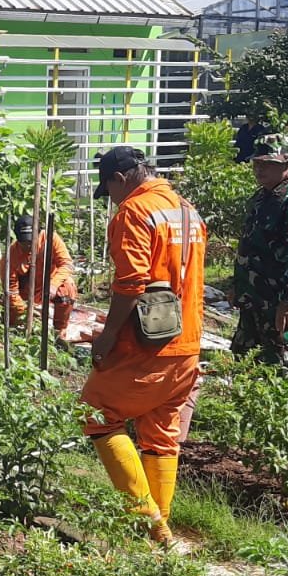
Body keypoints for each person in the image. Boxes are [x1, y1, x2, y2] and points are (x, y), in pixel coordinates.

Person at [82, 146, 205, 549]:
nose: (112, 199)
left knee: (96, 415)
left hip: (146, 345)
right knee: (161, 437)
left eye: (110, 189)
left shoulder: (134, 212)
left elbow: (131, 284)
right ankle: (159, 535)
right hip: (186, 344)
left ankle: (148, 521)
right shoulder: (188, 209)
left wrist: (107, 338)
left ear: (121, 178)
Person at [232, 142, 288, 373]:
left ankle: (277, 408)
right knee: (244, 359)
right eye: (257, 163)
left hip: (279, 299)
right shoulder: (264, 196)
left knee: (279, 364)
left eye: (268, 164)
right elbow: (249, 244)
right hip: (255, 294)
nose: (259, 170)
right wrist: (238, 285)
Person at [0, 214, 78, 337]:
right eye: (24, 242)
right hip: (25, 295)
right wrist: (26, 312)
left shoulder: (51, 240)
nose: (28, 245)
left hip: (48, 288)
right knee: (15, 326)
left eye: (31, 241)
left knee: (68, 286)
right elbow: (11, 292)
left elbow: (67, 264)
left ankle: (59, 331)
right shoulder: (10, 257)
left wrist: (54, 284)